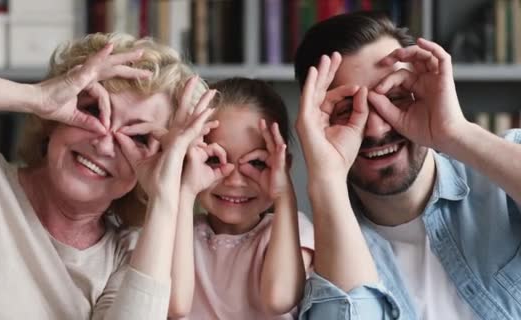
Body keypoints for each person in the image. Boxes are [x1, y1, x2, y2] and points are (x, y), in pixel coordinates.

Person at [0, 32, 217, 319]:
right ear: (54, 116)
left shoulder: (131, 255)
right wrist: (34, 96)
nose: (103, 142)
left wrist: (165, 194)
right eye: (94, 111)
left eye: (138, 138)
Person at [293, 11, 521, 320]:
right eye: (347, 111)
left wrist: (455, 132)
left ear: (425, 94)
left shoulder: (505, 164)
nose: (375, 129)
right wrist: (327, 178)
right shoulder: (308, 256)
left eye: (395, 98)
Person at [168, 78, 315, 319]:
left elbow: (279, 299)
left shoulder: (292, 229)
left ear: (283, 167)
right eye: (215, 159)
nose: (235, 181)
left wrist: (283, 194)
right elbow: (172, 304)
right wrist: (185, 189)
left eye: (257, 162)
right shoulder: (180, 233)